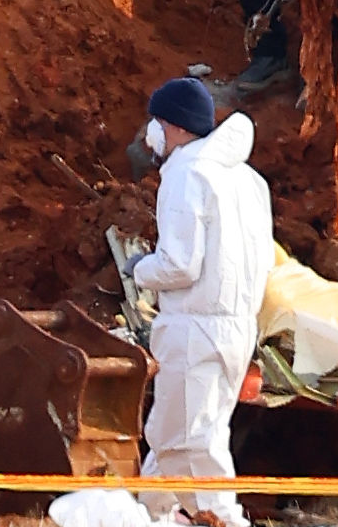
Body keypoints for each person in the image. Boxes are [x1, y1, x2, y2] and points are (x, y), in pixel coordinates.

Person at [130, 78, 275, 525]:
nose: (152, 132)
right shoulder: (248, 178)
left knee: (184, 443)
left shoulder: (185, 173)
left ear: (173, 126)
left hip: (196, 329)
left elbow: (179, 265)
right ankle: (147, 516)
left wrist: (140, 268)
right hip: (237, 329)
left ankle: (223, 520)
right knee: (187, 436)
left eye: (156, 121)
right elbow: (266, 258)